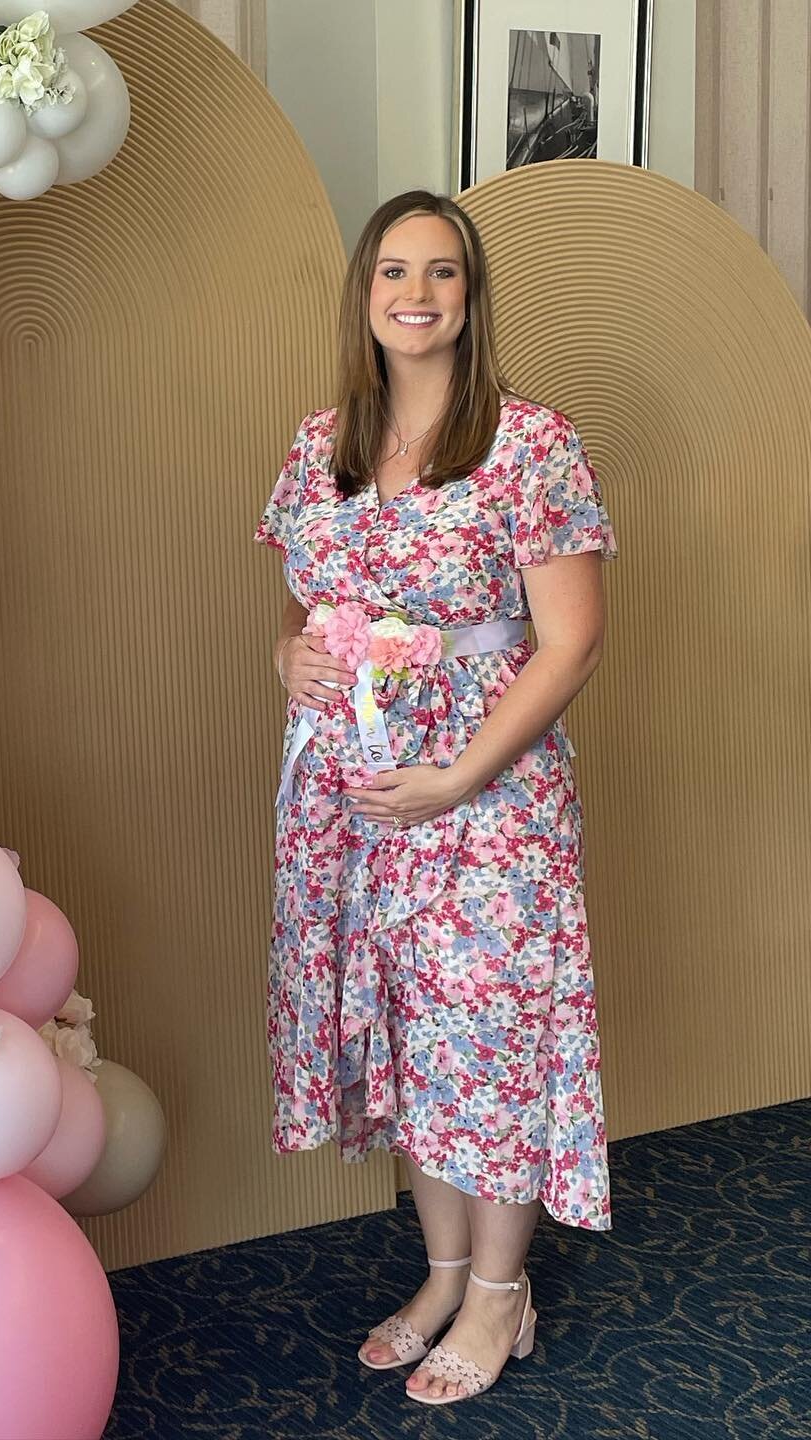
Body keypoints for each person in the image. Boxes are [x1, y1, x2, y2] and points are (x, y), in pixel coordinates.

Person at [253, 189, 618, 1406]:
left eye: (443, 273)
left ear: (471, 298)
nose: (417, 293)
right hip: (351, 796)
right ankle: (446, 1270)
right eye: (394, 270)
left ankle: (503, 1295)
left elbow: (567, 641)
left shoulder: (530, 441)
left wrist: (465, 772)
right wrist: (287, 659)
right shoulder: (321, 446)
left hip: (483, 796)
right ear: (364, 294)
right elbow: (302, 611)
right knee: (411, 1037)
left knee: (489, 1042)